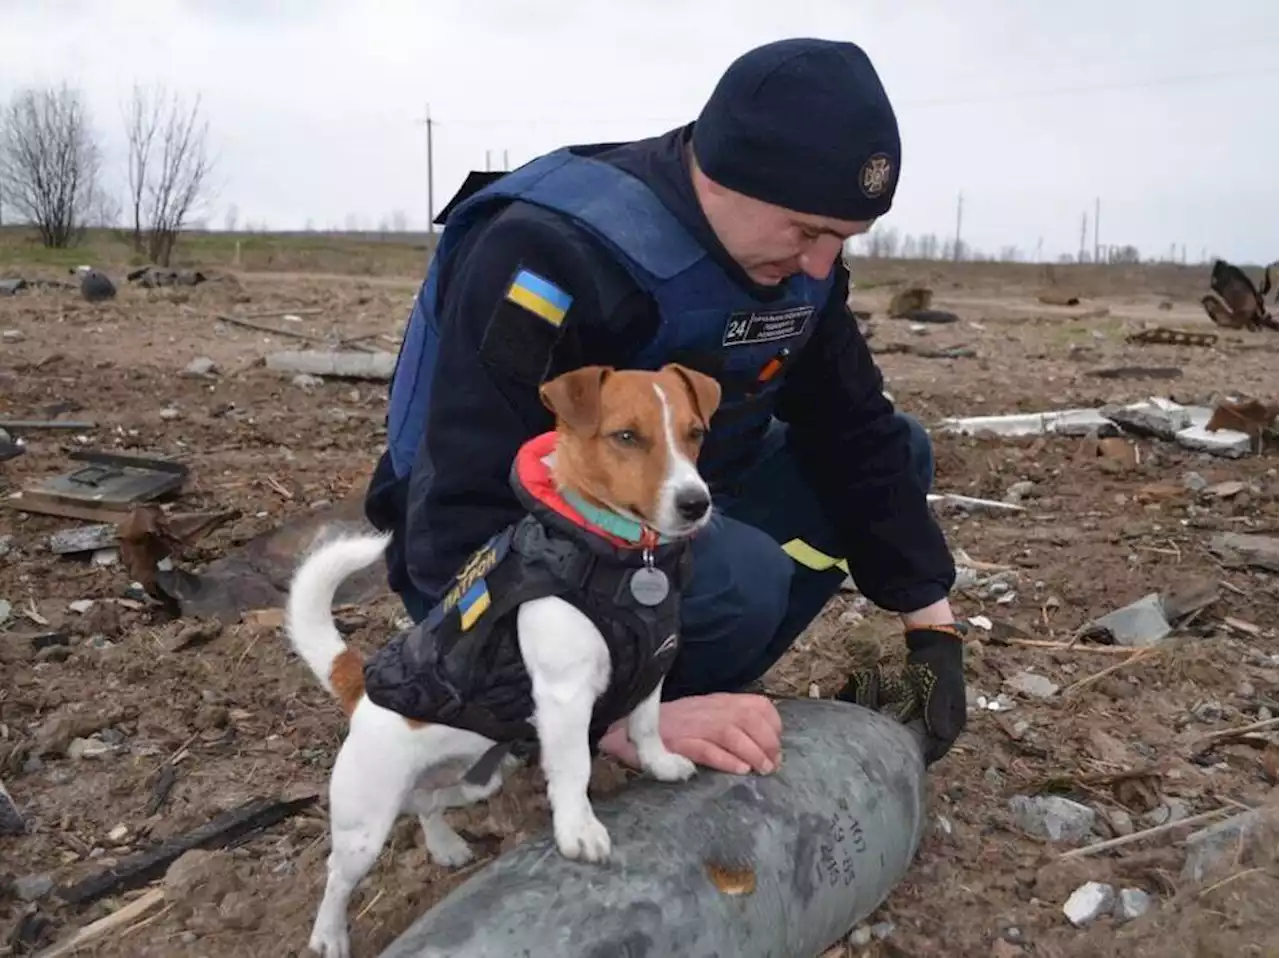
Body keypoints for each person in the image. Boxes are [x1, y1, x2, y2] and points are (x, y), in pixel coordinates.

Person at [364, 37, 967, 774]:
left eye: (842, 241)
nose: (818, 264)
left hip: (674, 503)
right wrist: (613, 725)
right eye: (808, 231)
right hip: (498, 561)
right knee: (743, 580)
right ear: (723, 176)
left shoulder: (800, 270)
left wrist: (934, 636)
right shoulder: (553, 251)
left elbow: (856, 430)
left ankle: (689, 679)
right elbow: (459, 519)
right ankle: (598, 708)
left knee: (900, 451)